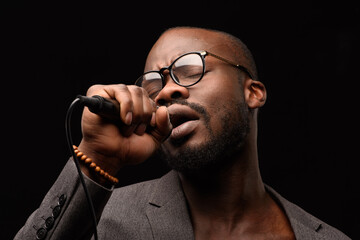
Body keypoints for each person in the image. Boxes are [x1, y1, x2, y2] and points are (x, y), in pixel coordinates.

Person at [15, 26, 350, 240]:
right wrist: (98, 158)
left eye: (189, 68)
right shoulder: (103, 218)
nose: (164, 92)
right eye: (153, 83)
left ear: (253, 92)